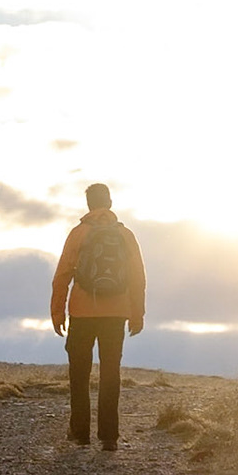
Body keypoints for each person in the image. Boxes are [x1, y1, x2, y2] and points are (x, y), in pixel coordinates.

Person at [50, 183, 145, 449]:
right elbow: (138, 278)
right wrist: (137, 314)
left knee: (79, 374)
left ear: (89, 205)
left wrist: (57, 313)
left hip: (81, 312)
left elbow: (62, 276)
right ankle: (109, 438)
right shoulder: (126, 235)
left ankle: (80, 433)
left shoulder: (78, 233)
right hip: (116, 313)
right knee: (110, 373)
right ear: (110, 203)